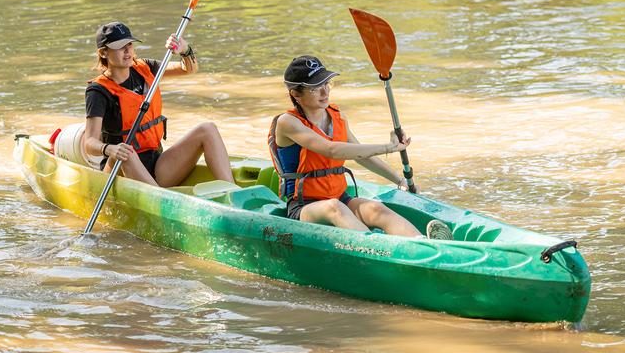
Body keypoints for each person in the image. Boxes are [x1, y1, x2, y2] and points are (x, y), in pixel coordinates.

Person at [268, 55, 452, 239]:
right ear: (296, 94)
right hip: (304, 207)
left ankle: (426, 246)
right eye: (315, 88)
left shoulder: (337, 117)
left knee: (376, 208)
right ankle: (381, 250)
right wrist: (389, 147)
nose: (325, 92)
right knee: (334, 208)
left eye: (327, 84)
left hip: (339, 198)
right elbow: (332, 149)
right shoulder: (288, 123)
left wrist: (400, 181)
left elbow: (361, 155)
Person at [82, 21, 234, 187]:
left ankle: (232, 191)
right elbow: (89, 142)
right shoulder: (98, 91)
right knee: (127, 152)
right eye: (120, 46)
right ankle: (162, 200)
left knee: (207, 128)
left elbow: (188, 69)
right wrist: (110, 149)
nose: (127, 51)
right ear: (103, 53)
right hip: (120, 169)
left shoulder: (144, 67)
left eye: (129, 44)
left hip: (156, 164)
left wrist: (184, 50)